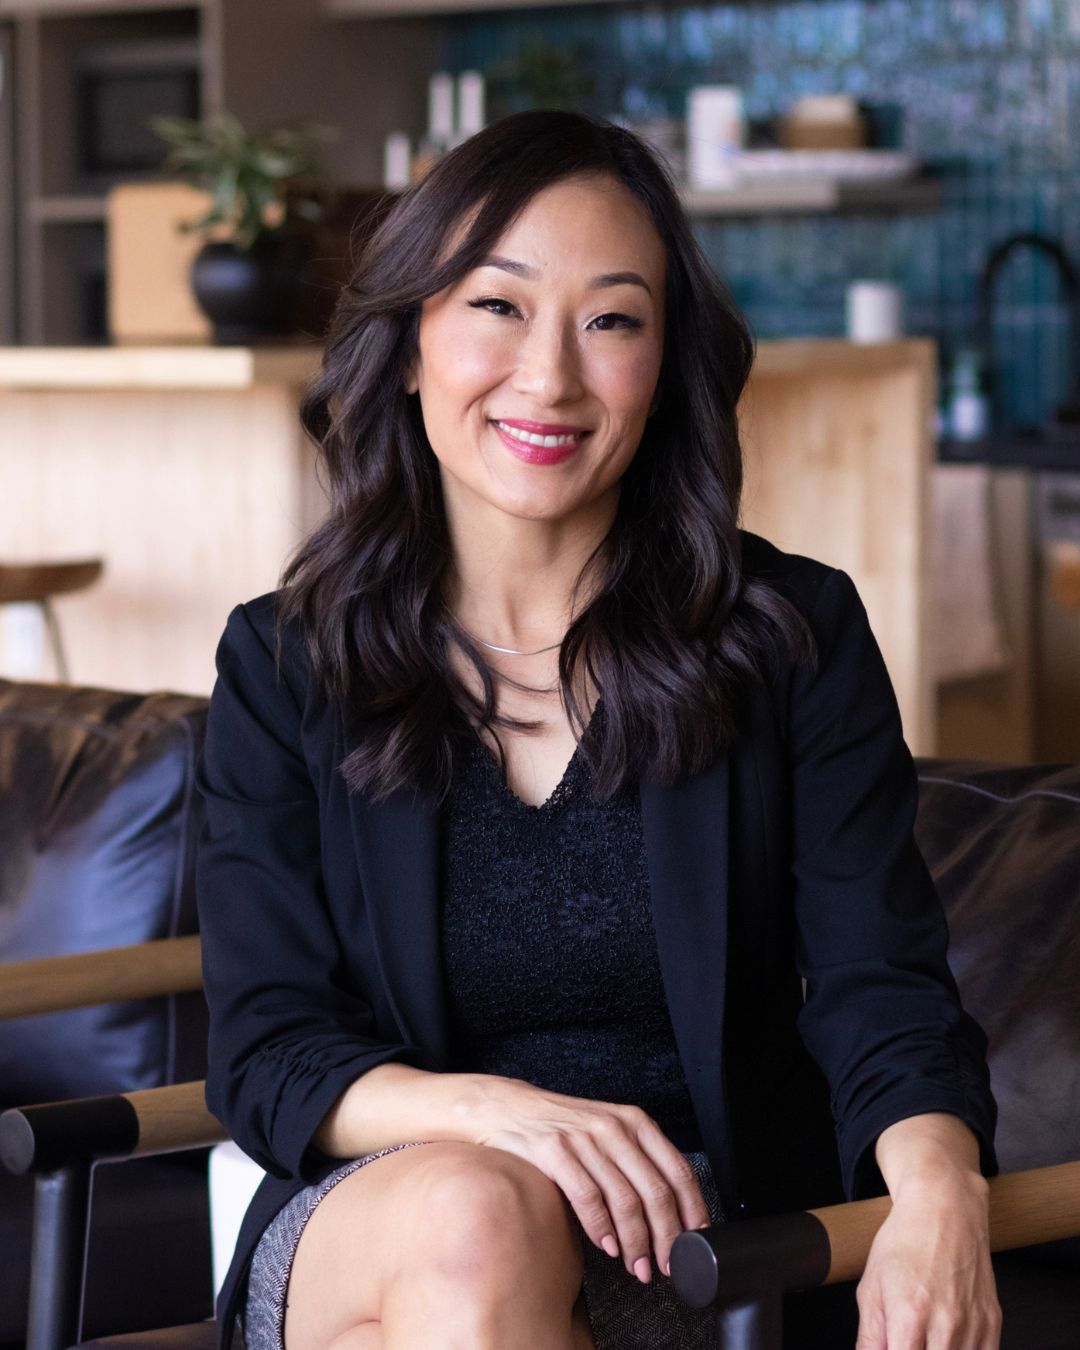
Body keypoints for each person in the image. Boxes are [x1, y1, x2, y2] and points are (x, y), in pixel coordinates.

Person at [197, 110, 1000, 1350]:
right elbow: (267, 1051)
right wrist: (506, 1119)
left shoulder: (790, 637)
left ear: (665, 366)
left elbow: (879, 992)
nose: (551, 377)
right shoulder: (286, 662)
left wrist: (941, 1195)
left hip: (697, 1247)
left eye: (612, 320)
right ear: (411, 344)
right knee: (478, 1216)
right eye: (497, 307)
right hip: (394, 1216)